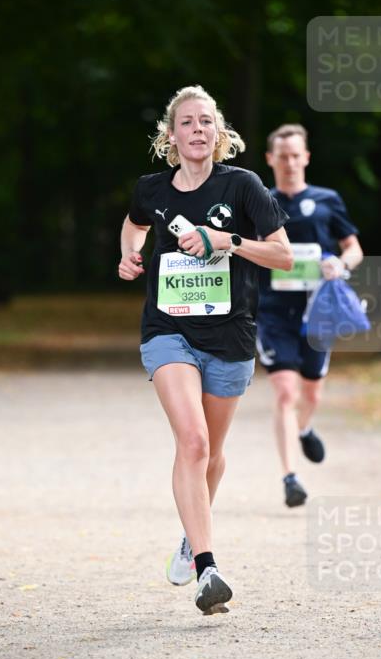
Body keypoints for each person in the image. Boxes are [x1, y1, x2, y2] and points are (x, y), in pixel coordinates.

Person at [118, 85, 292, 615]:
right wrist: (130, 256)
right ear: (171, 135)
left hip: (232, 335)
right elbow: (134, 225)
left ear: (219, 133)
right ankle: (207, 568)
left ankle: (189, 536)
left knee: (212, 454)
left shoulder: (242, 187)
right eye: (188, 122)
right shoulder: (152, 189)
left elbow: (284, 257)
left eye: (207, 122)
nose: (198, 129)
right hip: (169, 330)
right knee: (191, 442)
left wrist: (228, 242)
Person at [256, 124, 364, 507]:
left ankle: (304, 428)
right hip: (273, 313)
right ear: (270, 159)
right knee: (285, 390)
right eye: (281, 156)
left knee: (311, 391)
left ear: (306, 157)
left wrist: (340, 263)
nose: (288, 162)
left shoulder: (326, 200)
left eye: (294, 155)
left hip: (319, 313)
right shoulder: (259, 201)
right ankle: (290, 477)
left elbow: (353, 248)